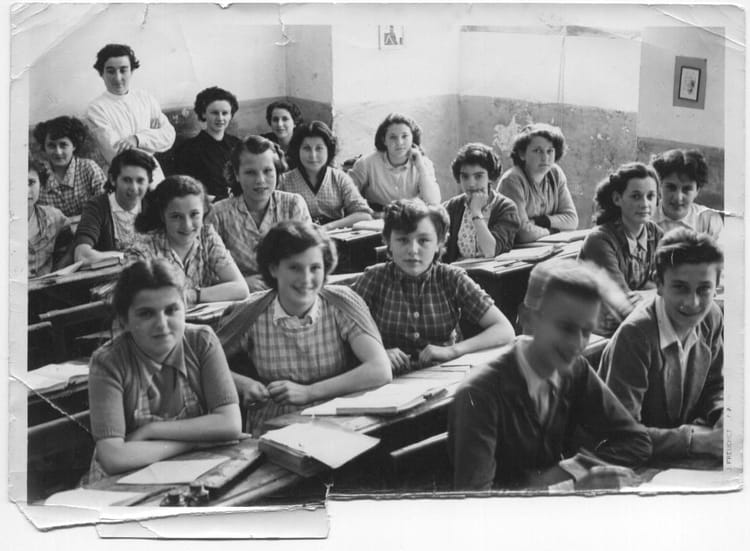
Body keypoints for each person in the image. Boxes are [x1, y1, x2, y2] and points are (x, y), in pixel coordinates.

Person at [448, 258, 652, 491]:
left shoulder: (574, 369)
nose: (577, 344)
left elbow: (637, 441)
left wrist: (574, 471)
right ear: (528, 318)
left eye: (586, 331)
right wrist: (570, 488)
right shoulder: (480, 393)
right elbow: (477, 503)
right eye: (566, 328)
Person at [216, 221, 391, 433]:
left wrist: (309, 392)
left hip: (338, 425)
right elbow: (201, 365)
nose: (306, 279)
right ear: (273, 268)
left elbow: (380, 369)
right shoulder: (250, 313)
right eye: (294, 268)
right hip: (273, 429)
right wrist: (242, 384)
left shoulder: (341, 303)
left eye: (315, 268)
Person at [87, 259, 241, 480]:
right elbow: (113, 457)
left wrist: (151, 431)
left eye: (171, 310)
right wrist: (194, 442)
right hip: (122, 482)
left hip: (192, 471)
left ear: (185, 308)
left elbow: (230, 423)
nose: (162, 324)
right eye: (146, 314)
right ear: (124, 321)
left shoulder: (201, 341)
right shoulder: (108, 362)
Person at [598, 229, 724, 462]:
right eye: (680, 287)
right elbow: (623, 436)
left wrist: (723, 413)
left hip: (670, 452)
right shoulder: (635, 336)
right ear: (659, 284)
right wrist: (696, 441)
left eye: (704, 289)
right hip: (625, 460)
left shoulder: (712, 317)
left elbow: (715, 384)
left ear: (716, 286)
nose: (693, 302)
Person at [352, 199, 515, 374]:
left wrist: (453, 350)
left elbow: (504, 329)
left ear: (439, 243)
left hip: (443, 376)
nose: (413, 250)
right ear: (388, 242)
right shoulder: (374, 279)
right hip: (388, 379)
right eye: (402, 240)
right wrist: (376, 354)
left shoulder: (451, 278)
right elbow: (339, 330)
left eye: (423, 240)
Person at [207, 135, 311, 291]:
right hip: (240, 298)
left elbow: (310, 256)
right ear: (236, 174)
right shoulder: (218, 214)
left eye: (268, 171)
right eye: (250, 172)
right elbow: (204, 270)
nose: (260, 180)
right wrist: (241, 282)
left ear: (277, 171)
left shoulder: (293, 205)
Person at [129, 175, 249, 305]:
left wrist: (191, 295)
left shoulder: (206, 236)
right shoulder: (143, 248)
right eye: (176, 216)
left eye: (194, 214)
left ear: (204, 212)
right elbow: (138, 300)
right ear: (163, 216)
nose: (187, 225)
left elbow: (241, 289)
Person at [86, 43, 175, 184]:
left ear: (131, 71)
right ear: (101, 73)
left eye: (123, 70)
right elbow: (117, 153)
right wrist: (152, 138)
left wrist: (137, 139)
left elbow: (168, 136)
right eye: (110, 71)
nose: (118, 78)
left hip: (155, 175)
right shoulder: (96, 109)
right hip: (123, 178)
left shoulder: (145, 98)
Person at [579, 162, 664, 304]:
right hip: (593, 313)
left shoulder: (655, 234)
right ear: (617, 199)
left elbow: (672, 284)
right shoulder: (600, 241)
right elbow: (622, 301)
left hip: (636, 311)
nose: (645, 204)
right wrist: (655, 294)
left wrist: (648, 294)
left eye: (650, 196)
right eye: (636, 196)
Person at [279, 121, 373, 230]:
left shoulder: (339, 178)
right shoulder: (283, 181)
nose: (313, 155)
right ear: (297, 150)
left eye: (319, 148)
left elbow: (364, 215)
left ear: (328, 150)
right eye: (306, 148)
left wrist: (328, 227)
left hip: (333, 236)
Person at [497, 123, 578, 243]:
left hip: (545, 247)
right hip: (515, 251)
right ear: (522, 154)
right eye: (537, 151)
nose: (545, 157)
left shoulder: (555, 173)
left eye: (550, 151)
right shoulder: (512, 180)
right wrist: (552, 232)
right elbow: (523, 234)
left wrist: (540, 221)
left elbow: (572, 220)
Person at [74, 149, 157, 263]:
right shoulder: (97, 206)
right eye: (127, 180)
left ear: (149, 182)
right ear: (113, 180)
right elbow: (82, 255)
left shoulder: (154, 206)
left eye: (140, 181)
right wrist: (127, 257)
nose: (134, 188)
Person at [442, 143, 520, 262]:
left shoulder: (506, 208)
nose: (471, 183)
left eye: (478, 176)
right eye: (465, 177)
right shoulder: (451, 207)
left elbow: (490, 251)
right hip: (458, 270)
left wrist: (476, 211)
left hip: (494, 272)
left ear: (490, 177)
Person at [349, 113, 441, 210]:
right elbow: (347, 194)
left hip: (411, 216)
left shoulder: (424, 164)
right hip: (375, 215)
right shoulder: (366, 164)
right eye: (393, 137)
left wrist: (420, 167)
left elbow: (433, 201)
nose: (399, 142)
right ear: (384, 140)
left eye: (405, 136)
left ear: (412, 138)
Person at [174, 86, 241, 200]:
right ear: (204, 113)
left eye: (225, 113)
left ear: (231, 115)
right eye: (214, 113)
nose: (220, 118)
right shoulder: (188, 150)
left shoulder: (237, 144)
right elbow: (184, 189)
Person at [32, 116, 106, 219]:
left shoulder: (89, 168)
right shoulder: (37, 175)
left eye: (63, 145)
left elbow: (106, 206)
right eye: (51, 146)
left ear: (74, 145)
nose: (58, 152)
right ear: (44, 147)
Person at [651, 149, 723, 240]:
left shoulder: (709, 220)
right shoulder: (646, 216)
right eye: (671, 187)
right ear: (659, 186)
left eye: (686, 189)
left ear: (697, 190)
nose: (678, 198)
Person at [28, 159, 73, 277]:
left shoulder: (54, 217)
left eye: (31, 182)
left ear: (41, 184)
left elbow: (71, 245)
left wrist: (57, 271)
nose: (26, 190)